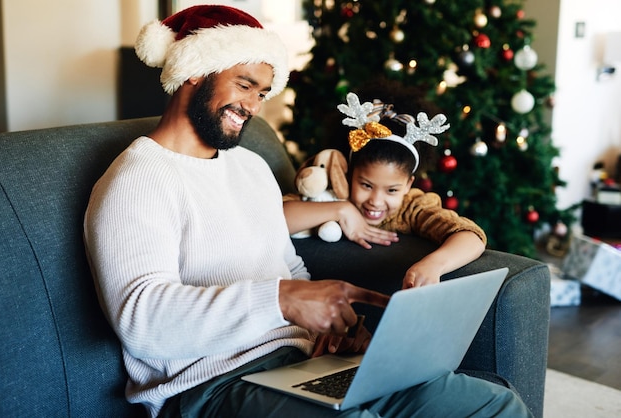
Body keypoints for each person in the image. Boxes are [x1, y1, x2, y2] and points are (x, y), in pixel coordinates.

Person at [83, 5, 531, 417]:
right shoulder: (138, 179)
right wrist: (283, 299)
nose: (254, 107)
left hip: (308, 361)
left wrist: (335, 327)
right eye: (244, 85)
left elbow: (288, 265)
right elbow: (141, 321)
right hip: (211, 385)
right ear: (194, 72)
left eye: (262, 92)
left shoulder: (250, 167)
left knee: (492, 406)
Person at [284, 92, 487, 288]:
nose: (376, 200)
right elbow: (273, 220)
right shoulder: (331, 192)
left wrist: (433, 264)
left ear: (408, 184)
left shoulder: (412, 207)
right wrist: (341, 209)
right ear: (350, 174)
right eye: (366, 185)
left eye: (391, 190)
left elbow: (471, 236)